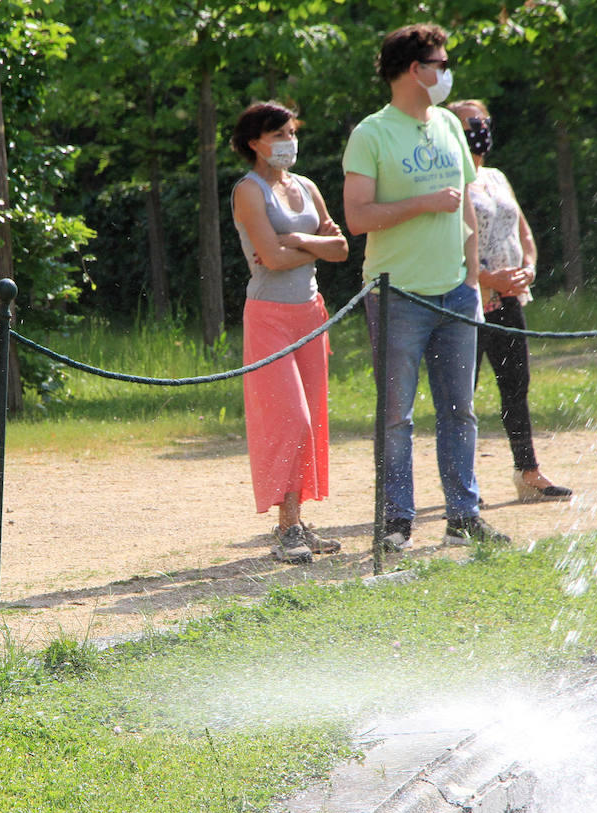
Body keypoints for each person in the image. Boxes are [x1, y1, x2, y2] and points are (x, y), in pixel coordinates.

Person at [342, 22, 509, 551]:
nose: (446, 73)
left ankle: (464, 515)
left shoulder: (448, 126)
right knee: (396, 416)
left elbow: (467, 210)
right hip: (397, 298)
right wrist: (423, 203)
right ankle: (396, 524)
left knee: (460, 411)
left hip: (457, 296)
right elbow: (357, 217)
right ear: (415, 70)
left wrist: (470, 277)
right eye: (439, 64)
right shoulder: (370, 134)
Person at [230, 102, 348, 564]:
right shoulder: (248, 190)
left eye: (291, 131)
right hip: (268, 317)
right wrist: (305, 247)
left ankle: (296, 521)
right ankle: (285, 530)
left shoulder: (307, 186)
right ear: (254, 142)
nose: (288, 141)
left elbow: (340, 249)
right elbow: (270, 261)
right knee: (289, 421)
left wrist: (296, 242)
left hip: (310, 313)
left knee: (311, 420)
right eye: (278, 134)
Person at [448, 99, 572, 503]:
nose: (478, 129)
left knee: (516, 385)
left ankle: (528, 472)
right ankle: (461, 484)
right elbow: (447, 242)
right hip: (467, 297)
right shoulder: (450, 178)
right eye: (469, 123)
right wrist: (485, 278)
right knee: (461, 393)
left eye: (482, 121)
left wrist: (529, 269)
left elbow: (524, 232)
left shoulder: (497, 177)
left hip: (509, 298)